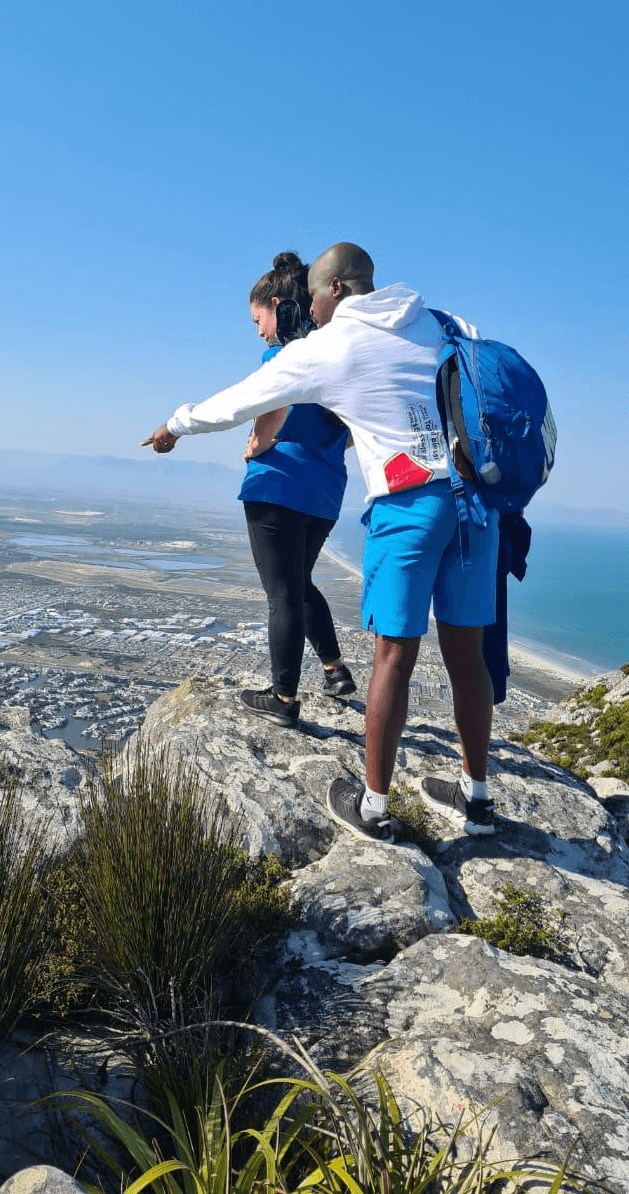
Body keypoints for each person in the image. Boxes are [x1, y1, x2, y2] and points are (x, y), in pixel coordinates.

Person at [144, 242, 499, 839]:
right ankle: (478, 799)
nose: (309, 307)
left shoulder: (331, 347)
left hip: (410, 506)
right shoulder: (440, 322)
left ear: (334, 289)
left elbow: (240, 402)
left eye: (312, 295)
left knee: (395, 655)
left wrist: (174, 425)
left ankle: (374, 808)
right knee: (467, 655)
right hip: (475, 505)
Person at [235, 252, 355, 728]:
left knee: (281, 593)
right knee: (299, 583)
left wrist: (256, 445)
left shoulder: (283, 357)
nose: (259, 331)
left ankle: (283, 699)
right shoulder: (339, 362)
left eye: (258, 319)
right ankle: (334, 668)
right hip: (324, 495)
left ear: (277, 305)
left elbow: (267, 421)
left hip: (277, 488)